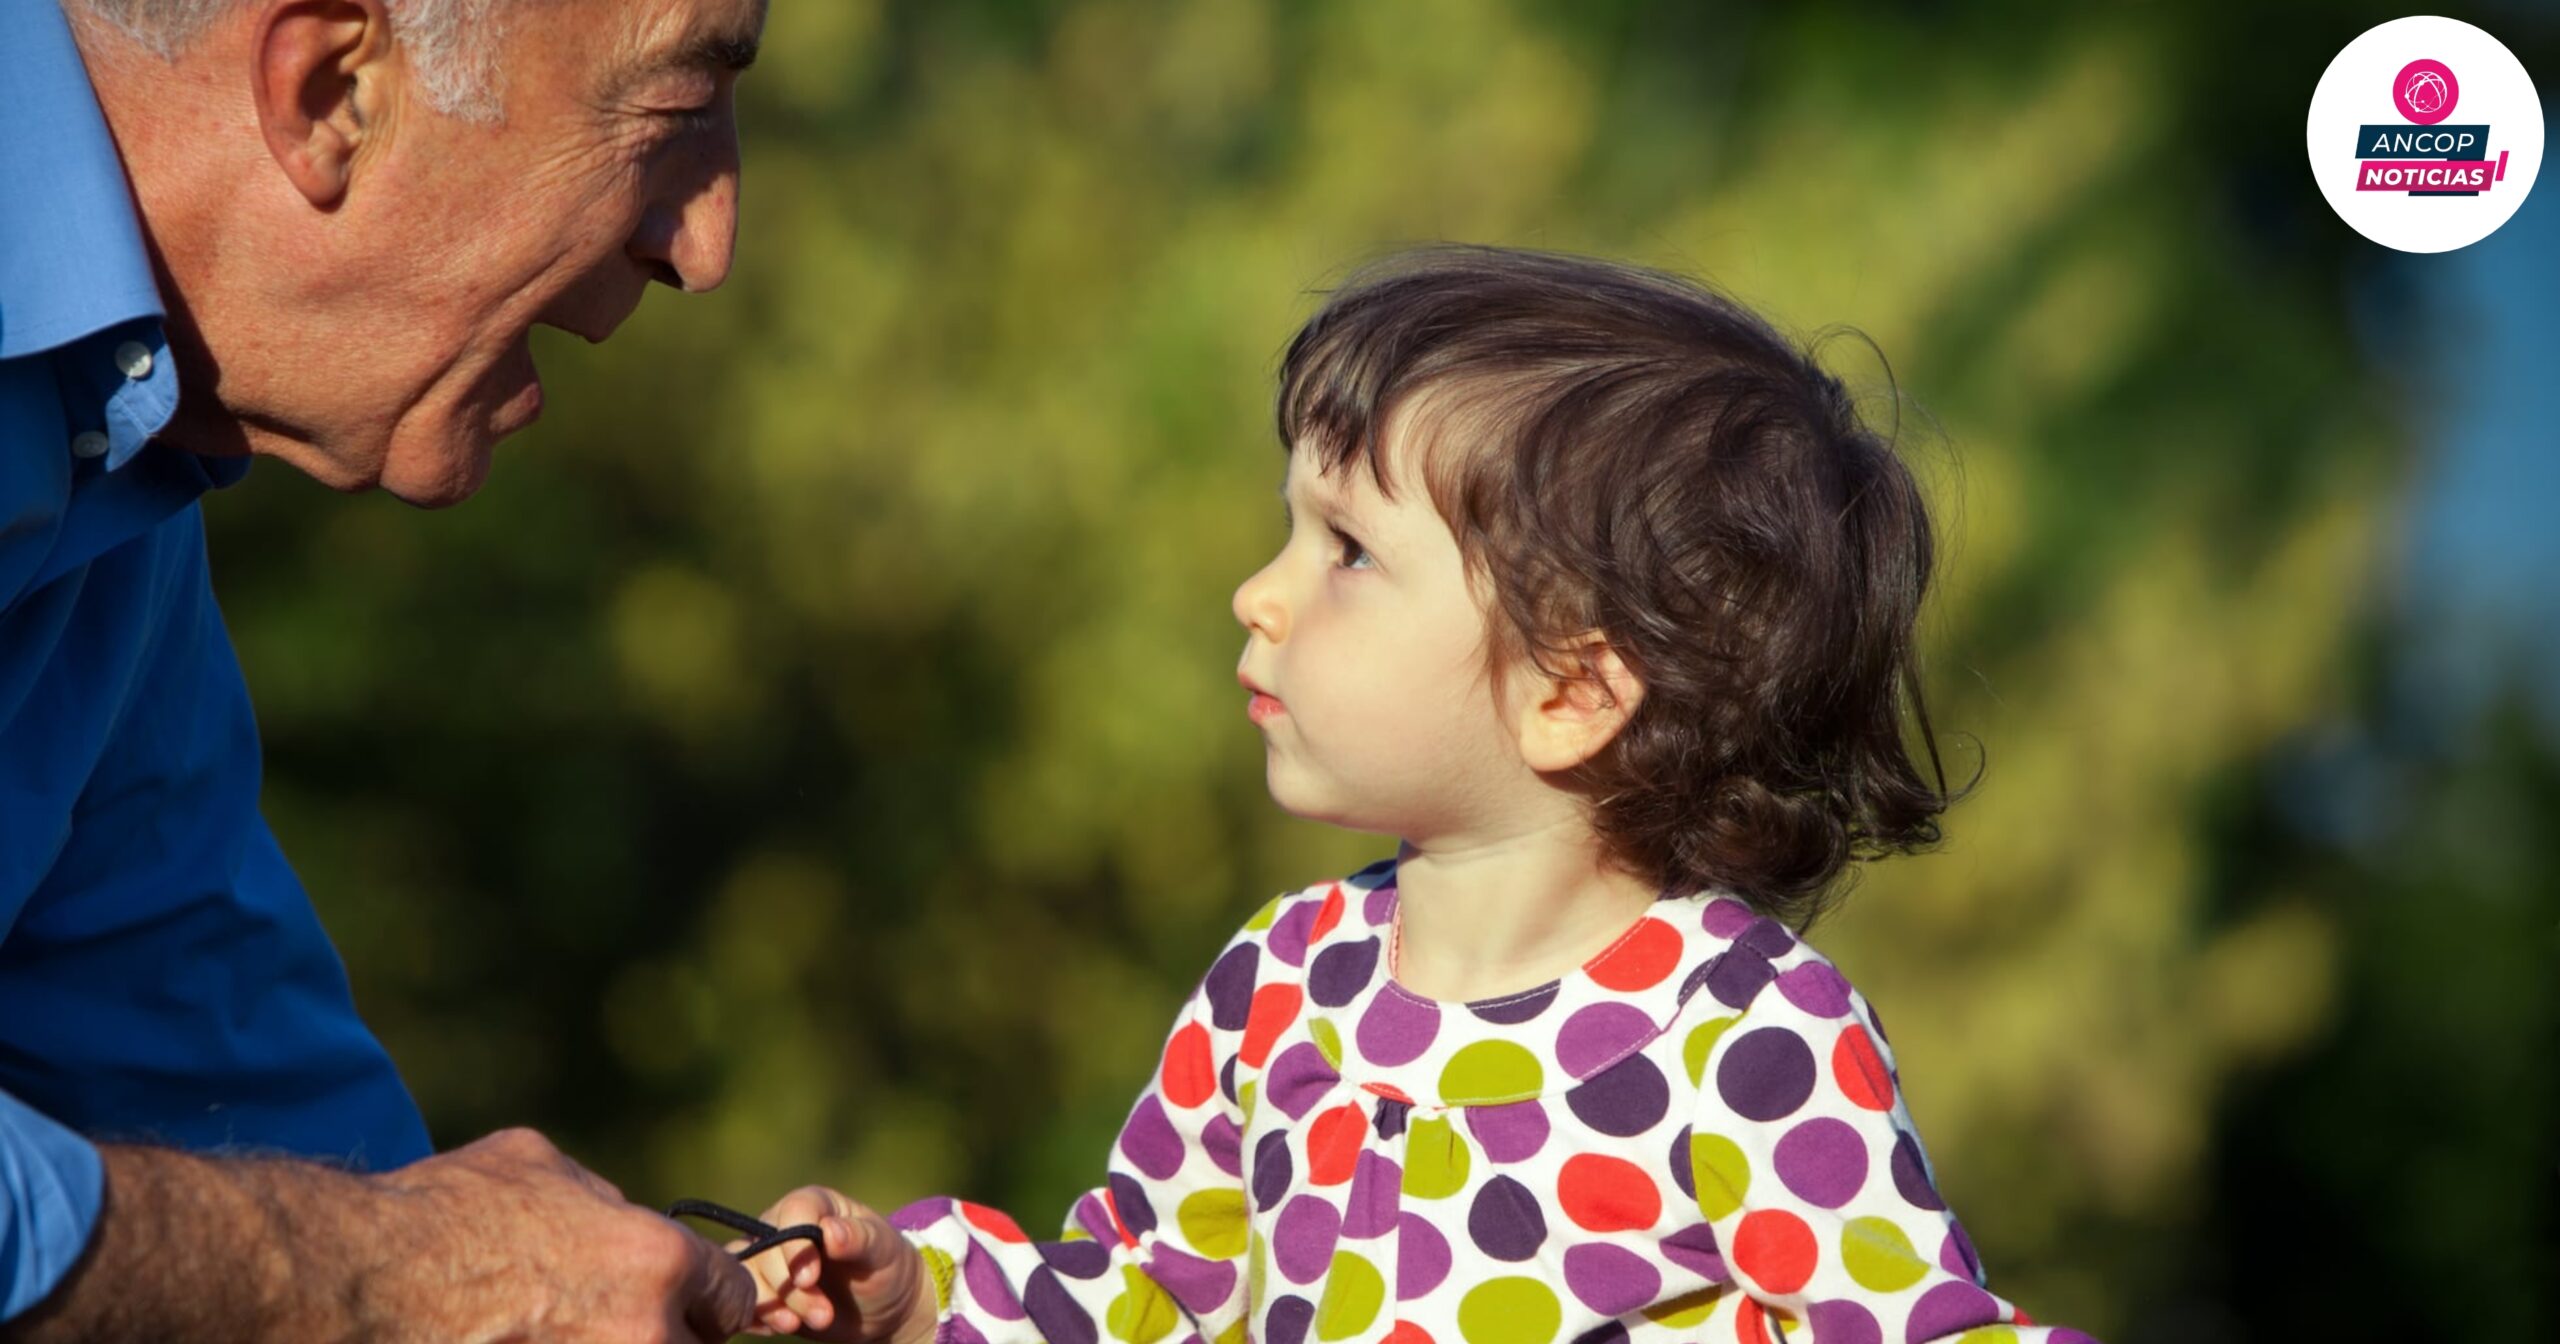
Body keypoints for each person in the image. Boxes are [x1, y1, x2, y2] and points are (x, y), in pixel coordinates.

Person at [729, 248, 2101, 1344]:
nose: (1259, 591)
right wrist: (921, 1301)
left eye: (1347, 551)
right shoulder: (1279, 988)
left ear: (1571, 690)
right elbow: (1148, 1299)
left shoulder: (1746, 1038)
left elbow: (1921, 1328)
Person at [1, 0, 766, 1338]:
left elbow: (237, 1106)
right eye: (677, 100)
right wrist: (392, 1279)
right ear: (333, 93)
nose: (704, 243)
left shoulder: (115, 459)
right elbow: (387, 1256)